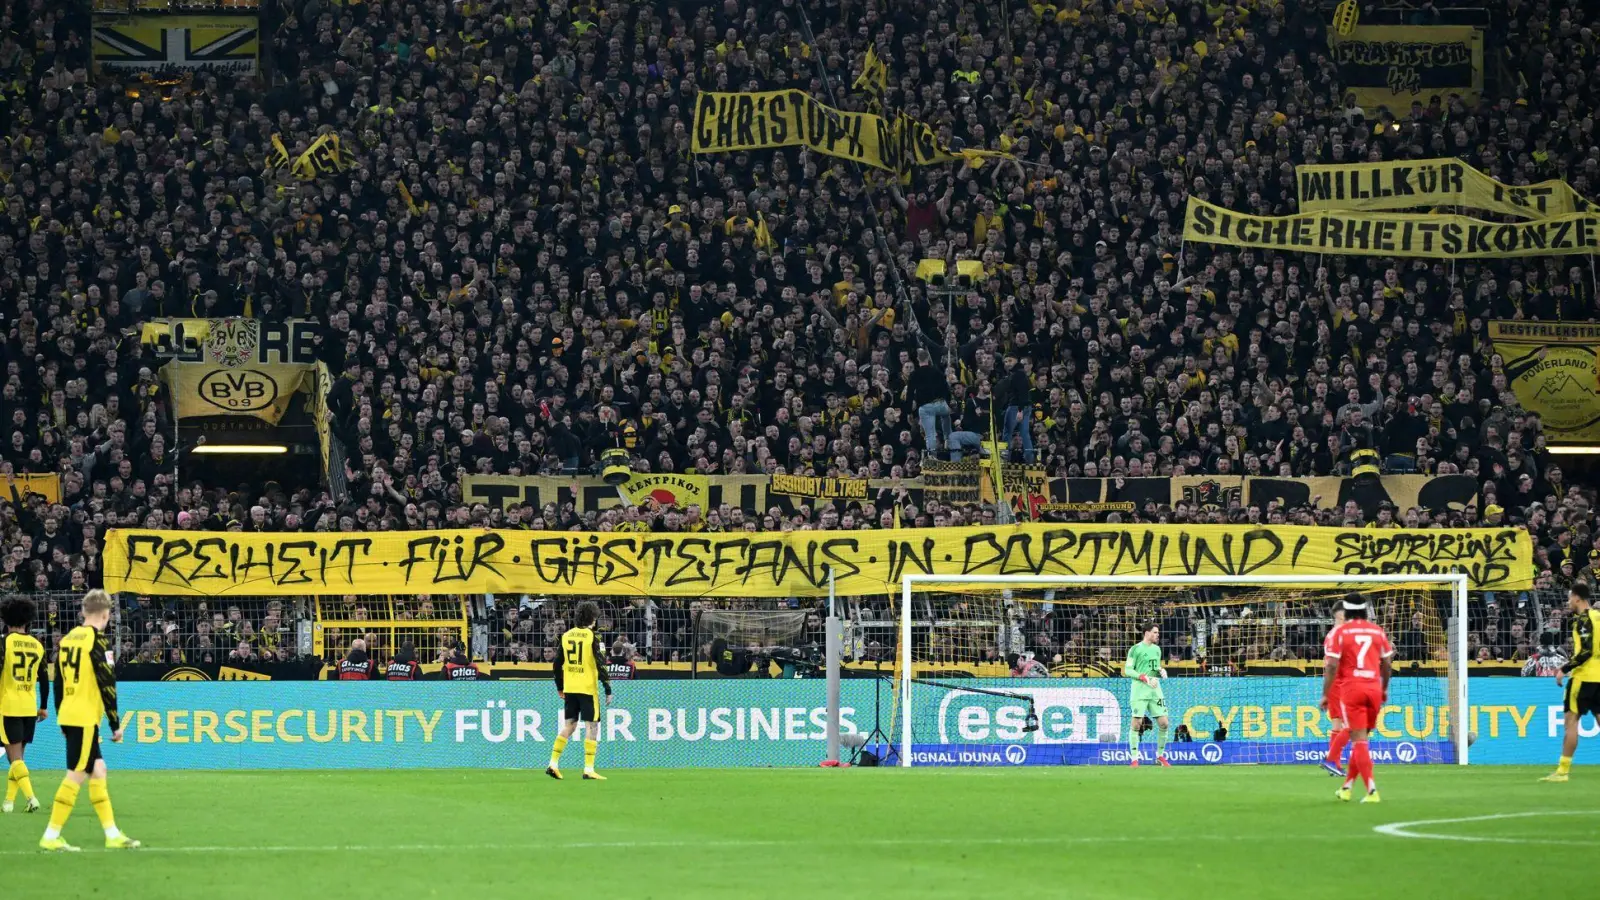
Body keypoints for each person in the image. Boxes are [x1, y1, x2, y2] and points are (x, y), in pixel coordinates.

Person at [41, 589, 139, 851]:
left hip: (72, 713)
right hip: (84, 716)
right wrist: (115, 724)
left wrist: (62, 716)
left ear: (84, 612)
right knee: (76, 774)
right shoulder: (98, 641)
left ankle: (112, 834)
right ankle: (51, 834)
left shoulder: (69, 639)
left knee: (98, 770)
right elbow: (107, 682)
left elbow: (58, 681)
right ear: (106, 614)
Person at [1324, 594, 1394, 803]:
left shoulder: (1340, 632)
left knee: (1357, 738)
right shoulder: (1376, 630)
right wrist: (1384, 689)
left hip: (1351, 687)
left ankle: (1371, 790)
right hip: (1374, 687)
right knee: (1361, 738)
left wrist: (1325, 693)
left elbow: (1331, 665)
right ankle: (1347, 787)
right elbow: (1388, 664)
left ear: (1346, 612)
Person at [547, 601, 613, 781]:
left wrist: (560, 686)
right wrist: (608, 688)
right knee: (592, 726)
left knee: (569, 725)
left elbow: (556, 663)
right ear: (592, 617)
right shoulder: (594, 637)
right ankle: (588, 768)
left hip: (570, 687)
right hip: (587, 688)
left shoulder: (566, 635)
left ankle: (553, 763)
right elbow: (601, 663)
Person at [1542, 582, 1600, 783]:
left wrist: (1563, 669)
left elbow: (1586, 651)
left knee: (1571, 723)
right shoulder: (1599, 617)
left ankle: (1562, 771)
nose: (1568, 602)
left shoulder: (1583, 620)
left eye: (1569, 598)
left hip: (1583, 678)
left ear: (1577, 597)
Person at [1, 598, 46, 813]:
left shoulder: (5, 642)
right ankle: (8, 803)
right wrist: (44, 705)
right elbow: (44, 677)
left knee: (14, 758)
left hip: (8, 705)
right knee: (18, 760)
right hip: (29, 706)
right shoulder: (37, 645)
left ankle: (31, 798)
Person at [1124, 622, 1169, 767]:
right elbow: (1128, 671)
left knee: (1164, 723)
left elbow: (1154, 668)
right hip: (1139, 690)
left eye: (1158, 632)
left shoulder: (1157, 650)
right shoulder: (1135, 649)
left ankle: (1160, 757)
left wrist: (1161, 671)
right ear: (1147, 633)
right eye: (1155, 632)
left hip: (1155, 690)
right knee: (1136, 724)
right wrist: (1144, 677)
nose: (1157, 635)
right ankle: (1135, 759)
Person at [1320, 605, 1349, 777]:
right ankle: (1332, 761)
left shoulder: (1340, 634)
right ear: (1339, 615)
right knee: (1351, 725)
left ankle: (1334, 763)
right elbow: (1332, 663)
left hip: (1340, 682)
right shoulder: (1336, 635)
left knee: (1339, 724)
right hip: (1338, 683)